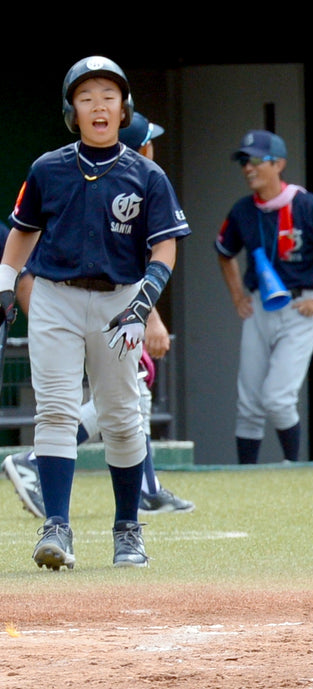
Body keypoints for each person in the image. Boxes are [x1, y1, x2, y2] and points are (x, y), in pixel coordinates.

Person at [0, 56, 191, 570]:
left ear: (123, 108)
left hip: (119, 301)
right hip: (55, 298)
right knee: (57, 411)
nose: (98, 105)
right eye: (86, 97)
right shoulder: (47, 167)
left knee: (123, 419)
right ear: (73, 111)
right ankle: (56, 528)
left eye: (108, 95)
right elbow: (22, 231)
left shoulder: (147, 174)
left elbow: (165, 248)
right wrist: (4, 284)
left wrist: (143, 303)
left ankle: (127, 530)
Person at [216, 130, 313, 464]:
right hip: (259, 308)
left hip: (300, 307)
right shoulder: (242, 210)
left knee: (278, 398)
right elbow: (224, 252)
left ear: (278, 164)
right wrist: (238, 295)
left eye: (255, 160)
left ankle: (292, 466)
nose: (247, 167)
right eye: (243, 160)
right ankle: (246, 476)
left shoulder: (305, 204)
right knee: (249, 401)